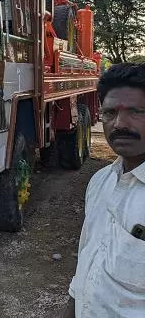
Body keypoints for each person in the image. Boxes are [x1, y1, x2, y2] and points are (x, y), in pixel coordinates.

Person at [63, 63, 145, 317]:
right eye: (109, 113)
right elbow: (87, 261)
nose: (120, 124)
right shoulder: (101, 181)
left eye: (136, 112)